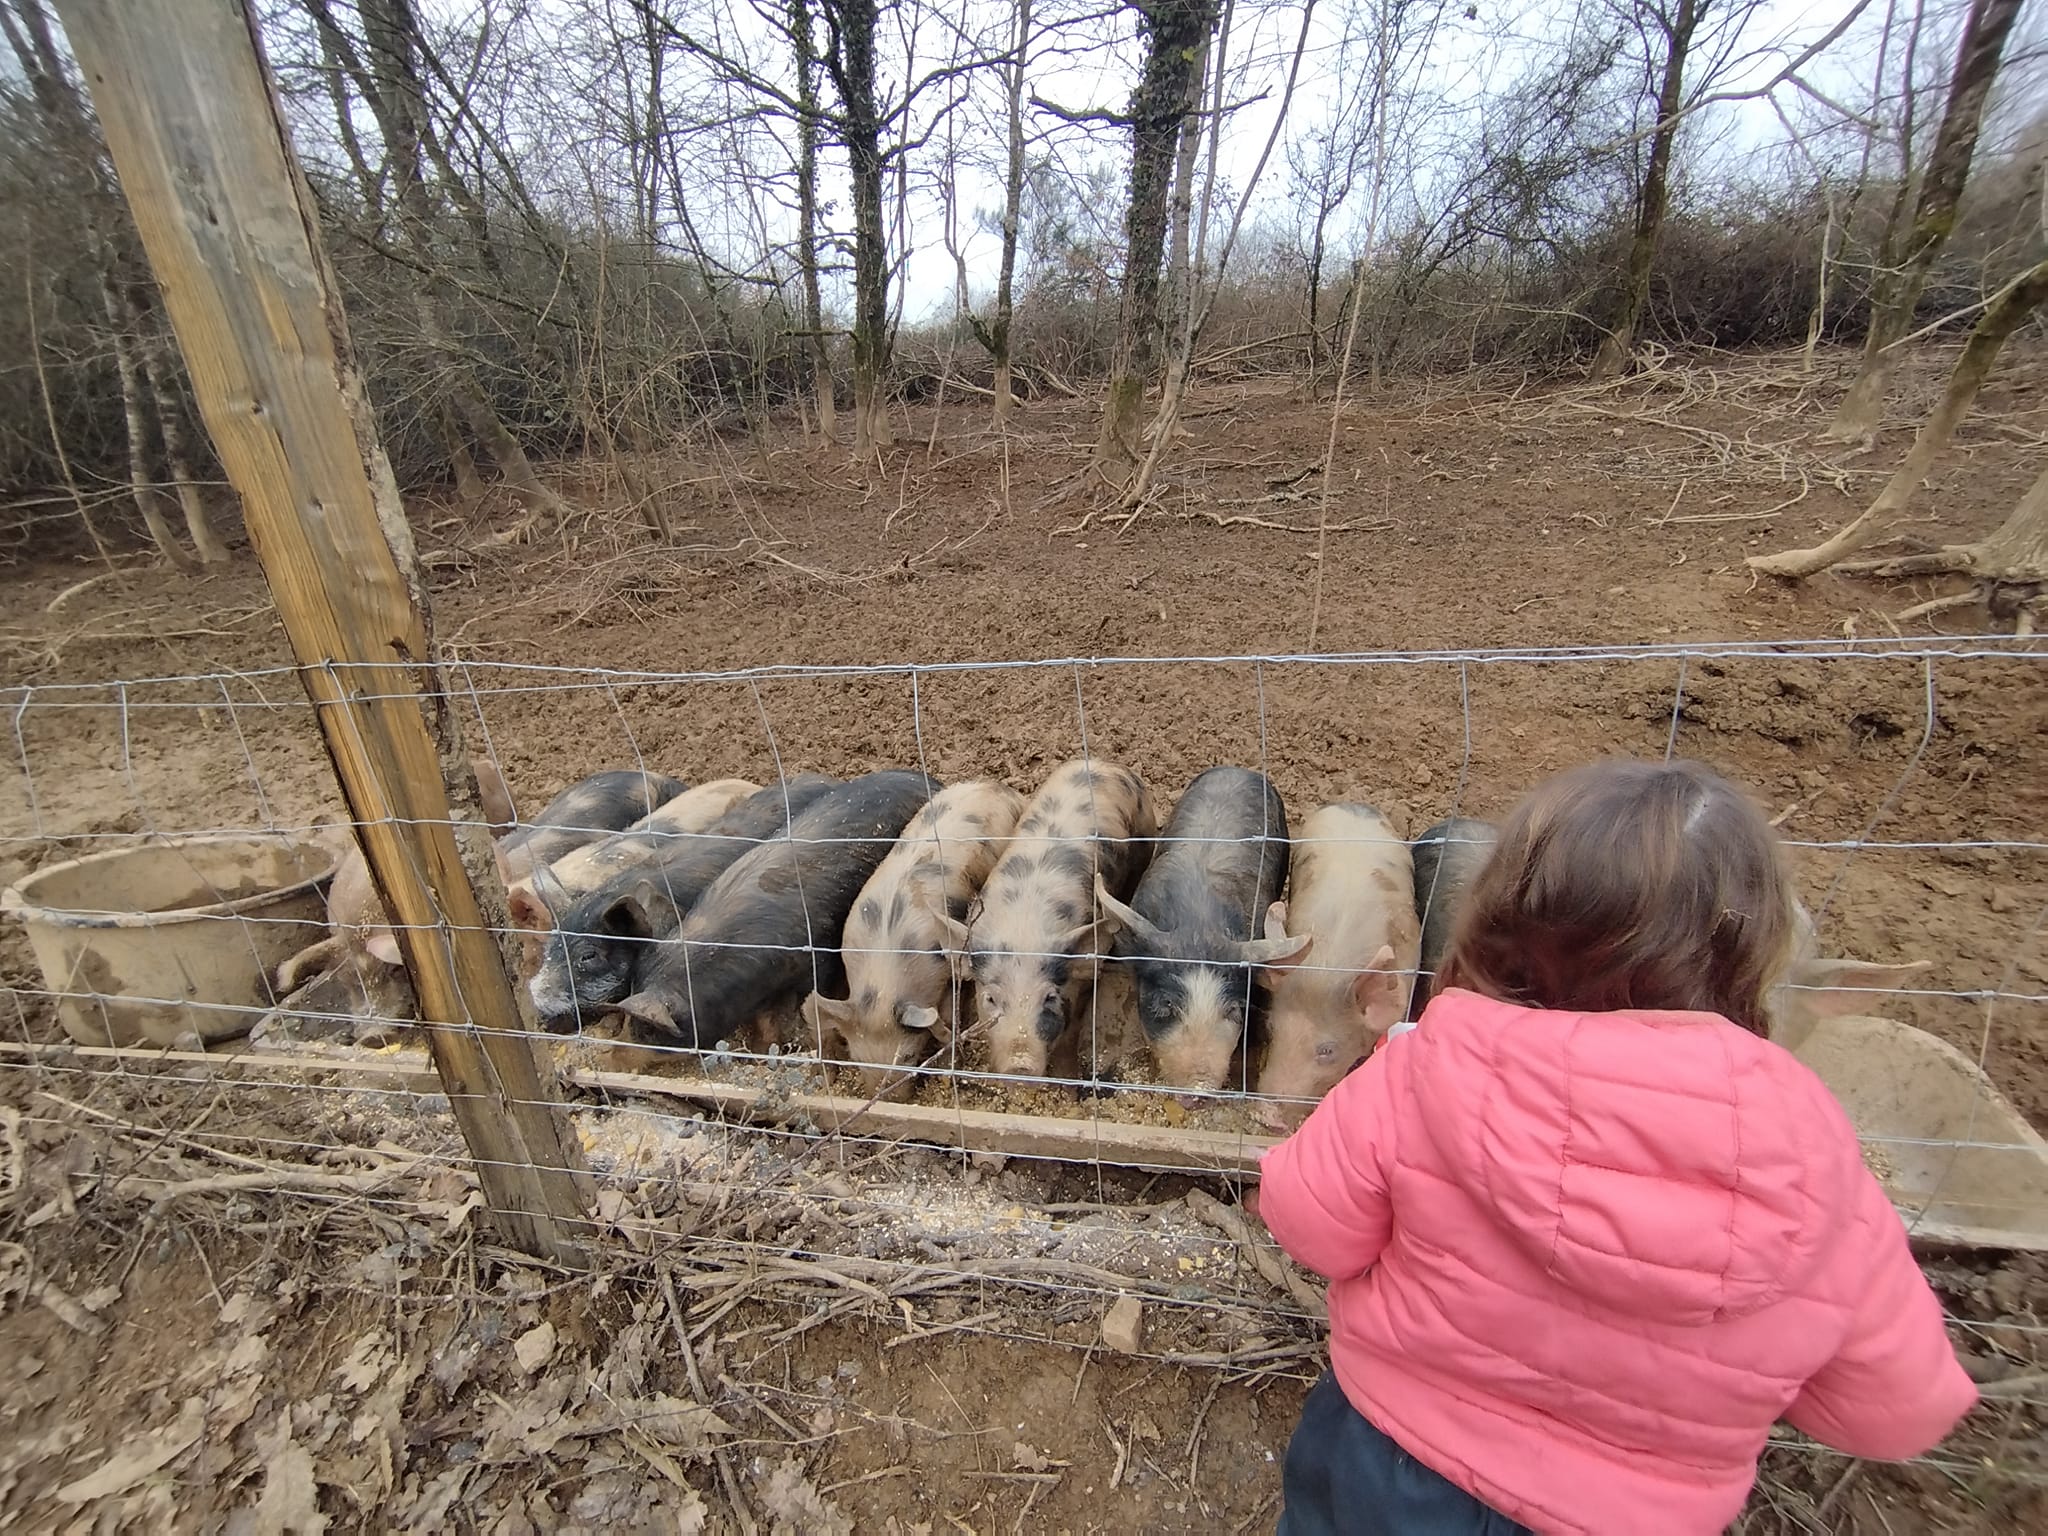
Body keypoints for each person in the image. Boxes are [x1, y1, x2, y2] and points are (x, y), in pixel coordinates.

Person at [1256, 758, 1976, 1536]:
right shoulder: (1817, 1149)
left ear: (1498, 923)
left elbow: (1306, 1220)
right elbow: (1898, 1413)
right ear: (1754, 965)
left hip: (1387, 1466)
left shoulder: (1428, 1061)